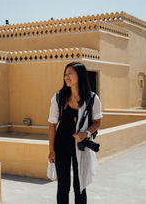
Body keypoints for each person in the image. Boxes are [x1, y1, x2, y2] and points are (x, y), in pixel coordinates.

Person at [48, 62, 102, 204]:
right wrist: (51, 150)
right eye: (65, 74)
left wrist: (86, 133)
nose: (66, 77)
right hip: (61, 145)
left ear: (80, 75)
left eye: (70, 73)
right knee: (63, 186)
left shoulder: (92, 99)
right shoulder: (58, 98)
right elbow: (52, 124)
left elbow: (97, 122)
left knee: (80, 186)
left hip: (80, 146)